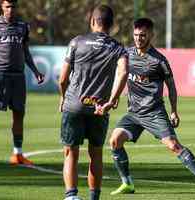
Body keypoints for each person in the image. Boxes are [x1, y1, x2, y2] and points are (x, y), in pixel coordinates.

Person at [109, 18, 195, 197]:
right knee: (114, 141)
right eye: (135, 35)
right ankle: (127, 183)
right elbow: (119, 76)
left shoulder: (159, 61)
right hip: (134, 113)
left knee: (173, 145)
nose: (138, 39)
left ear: (151, 35)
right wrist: (114, 97)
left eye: (142, 35)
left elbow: (171, 87)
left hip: (154, 112)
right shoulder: (127, 54)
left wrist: (174, 111)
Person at [58, 5, 128, 200]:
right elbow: (123, 72)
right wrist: (112, 100)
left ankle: (71, 196)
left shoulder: (76, 42)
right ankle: (94, 197)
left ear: (92, 21)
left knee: (71, 152)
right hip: (99, 108)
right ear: (112, 25)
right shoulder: (117, 47)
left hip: (74, 105)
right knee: (96, 153)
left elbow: (63, 79)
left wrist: (63, 98)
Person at [0, 0, 44, 166]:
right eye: (7, 6)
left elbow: (26, 51)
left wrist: (36, 71)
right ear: (2, 7)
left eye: (13, 6)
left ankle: (17, 154)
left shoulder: (23, 26)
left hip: (18, 76)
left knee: (19, 114)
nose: (10, 9)